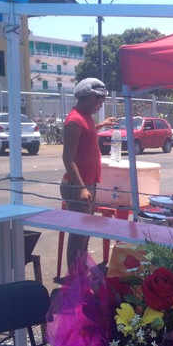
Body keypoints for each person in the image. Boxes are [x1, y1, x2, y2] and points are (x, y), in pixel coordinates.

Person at [60, 77, 117, 269]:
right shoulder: (74, 120)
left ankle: (81, 274)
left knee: (85, 234)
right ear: (91, 97)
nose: (100, 107)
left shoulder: (86, 118)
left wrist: (102, 125)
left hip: (87, 185)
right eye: (100, 102)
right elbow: (68, 158)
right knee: (78, 234)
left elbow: (88, 132)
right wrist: (81, 187)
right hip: (76, 187)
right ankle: (74, 280)